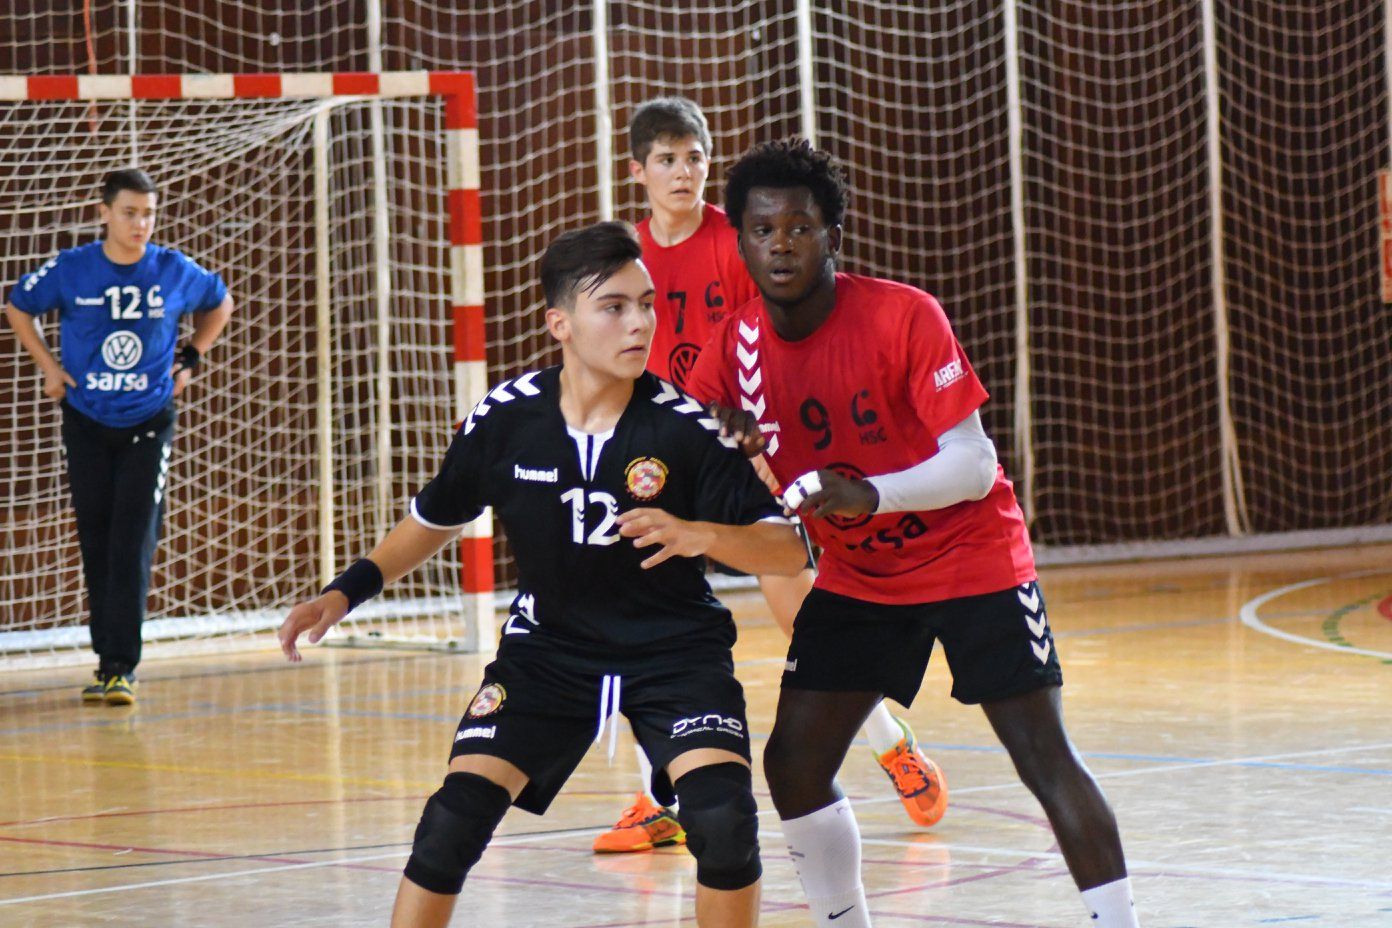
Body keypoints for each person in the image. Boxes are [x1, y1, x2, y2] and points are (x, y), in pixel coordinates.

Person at [278, 221, 807, 928]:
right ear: (560, 323)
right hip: (549, 653)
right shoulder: (506, 419)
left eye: (646, 304)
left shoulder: (687, 428)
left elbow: (788, 550)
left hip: (675, 655)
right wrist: (345, 591)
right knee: (449, 824)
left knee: (723, 819)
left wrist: (701, 534)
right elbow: (434, 518)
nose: (640, 323)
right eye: (613, 306)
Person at [686, 140, 1141, 928]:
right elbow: (682, 452)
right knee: (793, 764)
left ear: (834, 235)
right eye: (762, 230)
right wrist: (714, 438)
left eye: (800, 227)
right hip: (862, 579)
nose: (781, 245)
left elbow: (974, 464)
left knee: (1042, 756)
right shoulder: (735, 349)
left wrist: (869, 495)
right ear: (742, 244)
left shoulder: (904, 314)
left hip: (973, 559)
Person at [590, 97, 948, 856]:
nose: (683, 172)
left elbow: (780, 334)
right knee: (647, 620)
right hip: (664, 451)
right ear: (638, 172)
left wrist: (765, 439)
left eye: (694, 157)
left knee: (801, 611)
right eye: (667, 160)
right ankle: (658, 798)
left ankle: (890, 743)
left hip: (746, 441)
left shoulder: (740, 238)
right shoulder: (627, 254)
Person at [5, 168, 233, 706]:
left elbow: (219, 301)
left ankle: (119, 667)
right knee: (97, 537)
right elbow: (18, 305)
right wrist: (49, 368)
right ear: (104, 213)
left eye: (148, 214)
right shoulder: (74, 268)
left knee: (133, 540)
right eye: (130, 213)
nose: (141, 224)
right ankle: (104, 657)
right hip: (86, 419)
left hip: (147, 422)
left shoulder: (172, 269)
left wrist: (192, 356)